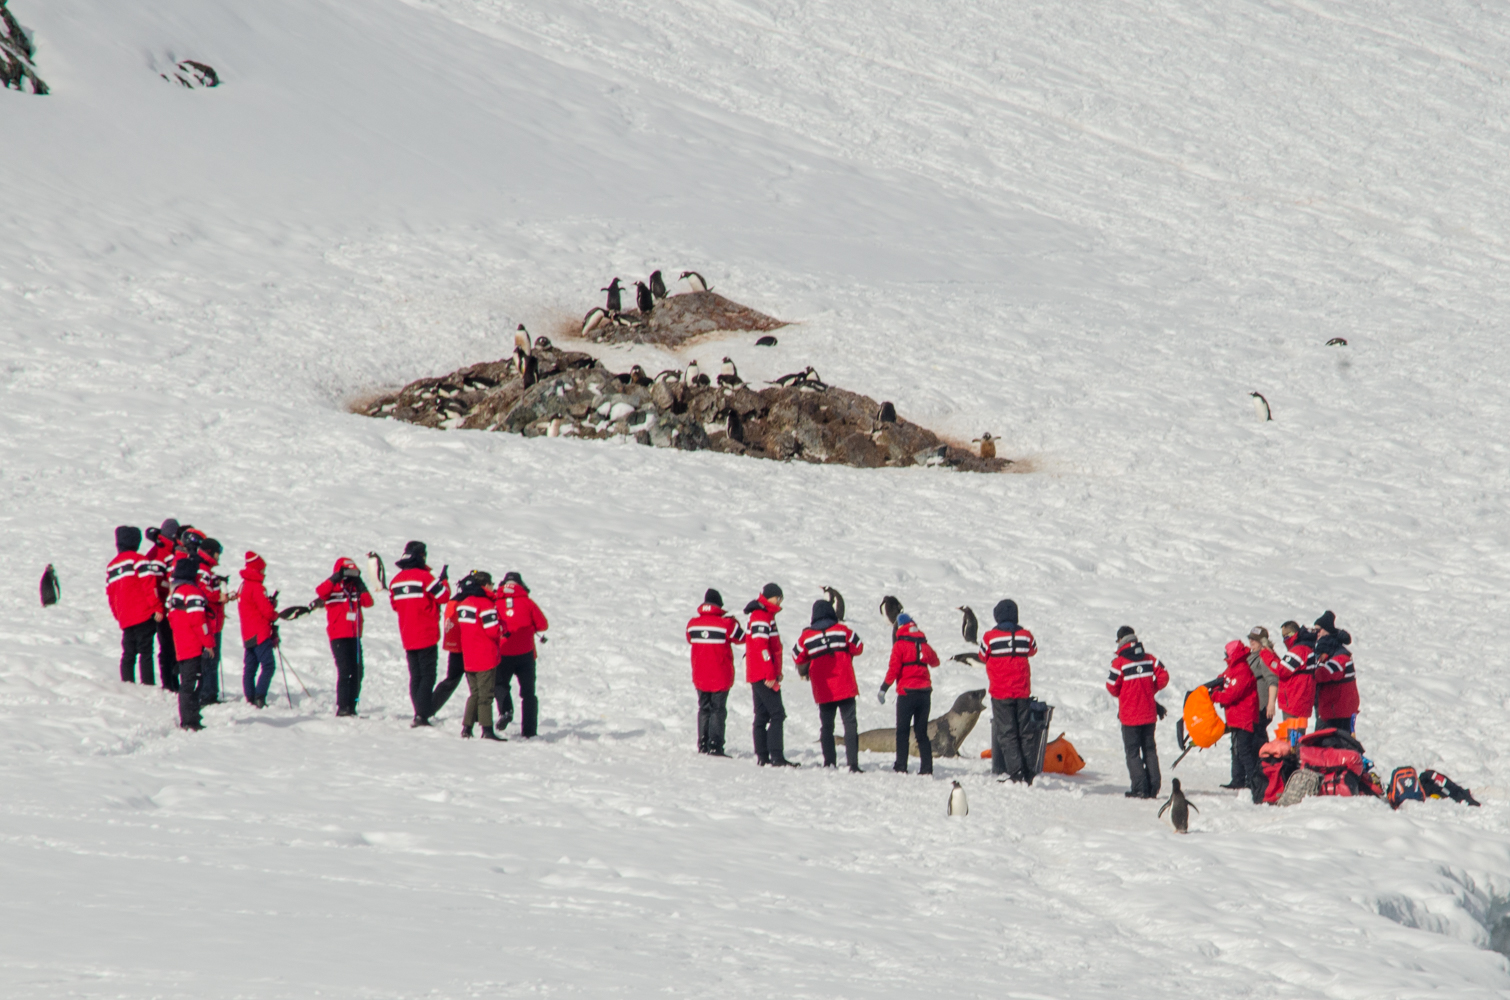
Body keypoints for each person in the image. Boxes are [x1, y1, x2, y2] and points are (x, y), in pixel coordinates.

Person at [792, 599, 864, 772]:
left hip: (824, 689)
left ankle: (829, 762)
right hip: (845, 685)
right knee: (850, 724)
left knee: (827, 726)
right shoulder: (843, 631)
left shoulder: (807, 637)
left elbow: (797, 656)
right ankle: (853, 764)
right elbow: (859, 647)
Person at [388, 541, 450, 727]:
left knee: (415, 676)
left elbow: (395, 605)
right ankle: (422, 715)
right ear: (421, 556)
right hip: (426, 634)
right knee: (427, 676)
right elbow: (444, 597)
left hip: (407, 635)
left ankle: (418, 712)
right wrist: (443, 581)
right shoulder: (425, 577)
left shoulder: (395, 581)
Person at [1106, 626, 1169, 798]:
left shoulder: (1119, 663)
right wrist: (1150, 690)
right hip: (1149, 715)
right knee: (1149, 749)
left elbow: (1111, 687)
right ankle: (1154, 786)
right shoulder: (1149, 658)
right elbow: (1164, 676)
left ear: (1121, 641)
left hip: (1130, 717)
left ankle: (1140, 788)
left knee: (1132, 752)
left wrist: (1126, 694)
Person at [980, 599, 1038, 783]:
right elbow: (1033, 650)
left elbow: (982, 655)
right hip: (1022, 691)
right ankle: (1029, 773)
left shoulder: (989, 637)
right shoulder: (1026, 635)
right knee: (1025, 732)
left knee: (1007, 733)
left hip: (1000, 692)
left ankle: (1017, 772)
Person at [685, 589, 745, 756]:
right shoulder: (726, 624)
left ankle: (703, 744)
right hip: (720, 675)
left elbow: (689, 638)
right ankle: (715, 745)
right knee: (718, 710)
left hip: (700, 676)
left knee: (704, 708)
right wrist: (735, 622)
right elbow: (742, 638)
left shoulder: (692, 624)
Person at [879, 613, 940, 776]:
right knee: (921, 732)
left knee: (903, 732)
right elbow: (935, 662)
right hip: (925, 693)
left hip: (907, 693)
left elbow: (894, 670)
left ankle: (901, 766)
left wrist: (884, 687)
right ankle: (926, 768)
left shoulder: (900, 645)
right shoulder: (923, 643)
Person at [314, 557, 374, 717]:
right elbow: (320, 592)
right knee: (345, 670)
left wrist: (361, 585)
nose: (349, 575)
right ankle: (342, 707)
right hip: (338, 635)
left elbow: (368, 603)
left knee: (357, 671)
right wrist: (335, 578)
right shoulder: (332, 587)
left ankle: (352, 706)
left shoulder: (355, 588)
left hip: (354, 635)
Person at [744, 583, 796, 766]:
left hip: (759, 672)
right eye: (778, 598)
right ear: (771, 597)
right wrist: (770, 673)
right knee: (777, 714)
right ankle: (776, 756)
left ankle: (763, 756)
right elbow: (762, 647)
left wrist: (777, 671)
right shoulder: (761, 616)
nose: (780, 601)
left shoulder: (765, 615)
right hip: (762, 673)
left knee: (762, 714)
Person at [493, 571, 548, 738]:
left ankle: (506, 711)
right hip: (526, 654)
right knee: (528, 694)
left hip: (503, 652)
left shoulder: (494, 602)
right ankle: (529, 731)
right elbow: (543, 625)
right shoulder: (528, 602)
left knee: (500, 685)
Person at [106, 525, 163, 685]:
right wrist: (157, 607)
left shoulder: (112, 566)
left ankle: (127, 684)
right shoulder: (140, 560)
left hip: (125, 616)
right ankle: (147, 684)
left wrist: (119, 615)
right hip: (144, 613)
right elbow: (149, 586)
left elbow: (111, 595)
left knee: (128, 653)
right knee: (146, 652)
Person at [1209, 639, 1263, 803]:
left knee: (1244, 750)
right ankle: (1238, 780)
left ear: (1234, 655)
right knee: (1237, 749)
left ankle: (1253, 781)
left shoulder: (1242, 671)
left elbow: (1232, 694)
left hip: (1244, 717)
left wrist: (1214, 695)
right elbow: (1223, 679)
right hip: (1236, 717)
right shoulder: (1233, 669)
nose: (1225, 656)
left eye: (1227, 654)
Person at [454, 571, 505, 740]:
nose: (493, 587)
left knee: (474, 693)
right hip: (485, 656)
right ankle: (487, 729)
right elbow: (492, 631)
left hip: (468, 656)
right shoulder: (485, 604)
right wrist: (503, 629)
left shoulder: (463, 603)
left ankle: (467, 728)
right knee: (486, 696)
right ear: (485, 585)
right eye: (491, 584)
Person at [165, 556, 211, 731]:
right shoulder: (192, 592)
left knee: (187, 681)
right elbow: (199, 621)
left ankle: (190, 717)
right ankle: (190, 720)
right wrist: (208, 642)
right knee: (191, 683)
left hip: (181, 642)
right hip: (193, 643)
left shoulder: (175, 592)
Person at [237, 551, 279, 708]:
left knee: (250, 668)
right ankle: (260, 696)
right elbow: (267, 611)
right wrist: (274, 612)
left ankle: (250, 697)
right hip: (260, 632)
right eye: (262, 570)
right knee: (268, 665)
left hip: (247, 634)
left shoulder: (244, 585)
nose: (264, 573)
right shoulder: (256, 586)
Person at [142, 519, 180, 691]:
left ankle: (171, 682)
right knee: (167, 647)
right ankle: (169, 683)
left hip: (164, 606)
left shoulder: (162, 551)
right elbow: (156, 584)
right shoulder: (160, 553)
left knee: (170, 646)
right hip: (162, 608)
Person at [194, 538, 228, 706]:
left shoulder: (206, 570)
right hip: (209, 623)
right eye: (217, 553)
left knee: (212, 661)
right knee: (210, 661)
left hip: (214, 621)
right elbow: (203, 592)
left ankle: (210, 693)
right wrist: (219, 597)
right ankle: (207, 695)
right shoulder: (202, 571)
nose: (218, 557)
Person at [1312, 610, 1358, 733]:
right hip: (1328, 709)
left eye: (1318, 630)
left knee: (1332, 745)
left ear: (1326, 630)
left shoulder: (1340, 654)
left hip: (1339, 712)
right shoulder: (1324, 651)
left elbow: (1326, 673)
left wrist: (1309, 675)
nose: (1316, 634)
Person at [1274, 620, 1318, 734]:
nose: (1284, 640)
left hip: (1294, 701)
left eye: (1286, 636)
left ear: (1294, 634)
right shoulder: (1307, 648)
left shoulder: (1298, 650)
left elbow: (1281, 670)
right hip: (1301, 702)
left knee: (1292, 738)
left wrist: (1266, 654)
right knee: (1298, 736)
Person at [431, 592, 467, 718]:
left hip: (455, 649)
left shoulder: (453, 602)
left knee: (451, 680)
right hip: (470, 650)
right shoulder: (471, 602)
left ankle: (429, 708)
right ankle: (478, 716)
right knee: (480, 686)